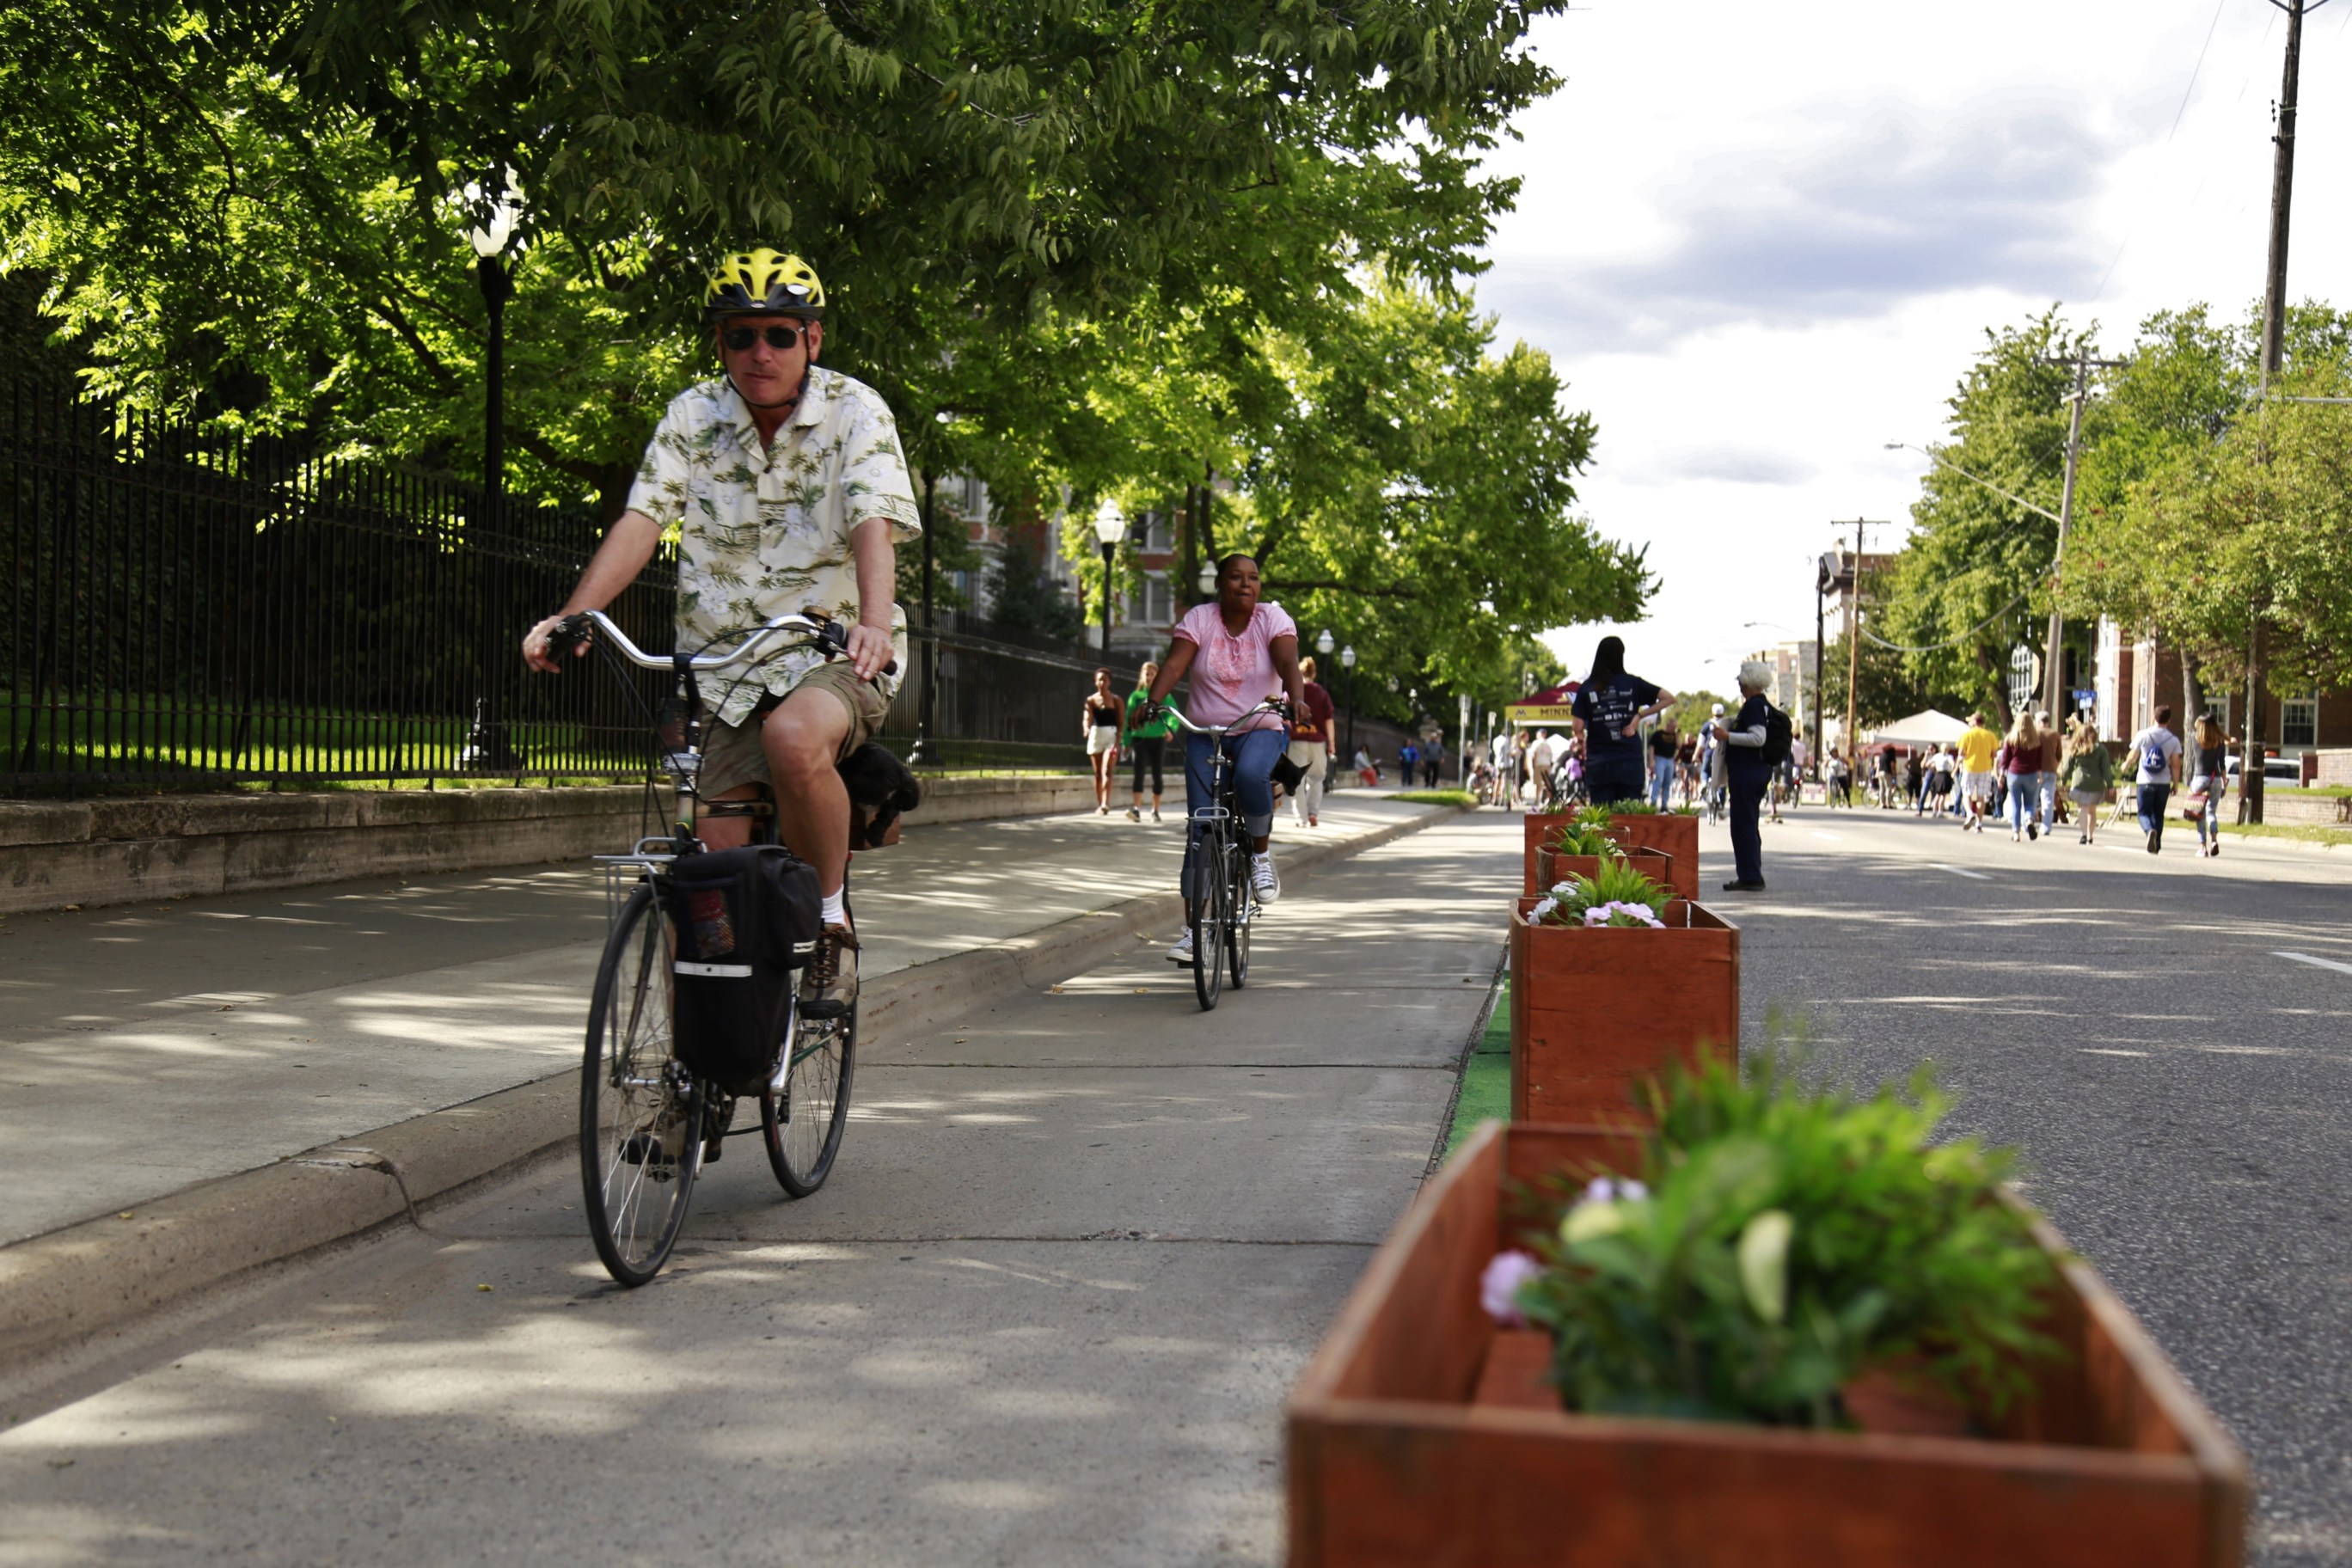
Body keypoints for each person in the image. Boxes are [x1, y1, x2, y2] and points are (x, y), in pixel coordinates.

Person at [523, 248, 911, 1017]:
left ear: (812, 339)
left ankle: (829, 925)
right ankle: (690, 1079)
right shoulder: (693, 417)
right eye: (741, 336)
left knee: (796, 739)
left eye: (778, 334)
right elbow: (643, 519)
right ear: (721, 343)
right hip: (724, 668)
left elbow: (875, 519)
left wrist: (872, 623)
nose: (759, 352)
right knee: (708, 892)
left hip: (829, 650)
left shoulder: (855, 411)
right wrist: (574, 616)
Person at [1144, 554, 1308, 965]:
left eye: (1253, 578)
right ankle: (1193, 934)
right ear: (1219, 583)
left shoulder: (1272, 619)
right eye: (1236, 577)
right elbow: (1176, 664)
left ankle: (1260, 856)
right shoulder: (1200, 619)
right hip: (1206, 734)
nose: (1246, 584)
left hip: (1259, 727)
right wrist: (1153, 700)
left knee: (1253, 775)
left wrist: (1298, 699)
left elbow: (1288, 661)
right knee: (1200, 826)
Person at [1570, 637, 1675, 807]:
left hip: (1599, 762)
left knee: (1601, 819)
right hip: (1630, 759)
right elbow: (1669, 698)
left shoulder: (1587, 687)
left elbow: (1577, 727)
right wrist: (1639, 717)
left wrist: (1582, 735)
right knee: (1629, 817)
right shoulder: (1633, 683)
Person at [1714, 660, 1774, 891]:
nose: (1739, 683)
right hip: (1757, 772)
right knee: (1747, 822)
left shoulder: (1754, 707)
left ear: (1750, 682)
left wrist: (1727, 736)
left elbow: (1758, 737)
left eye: (1742, 679)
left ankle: (1750, 876)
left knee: (1743, 824)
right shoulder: (1763, 706)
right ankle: (1750, 872)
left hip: (1748, 774)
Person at [1285, 655, 1338, 827]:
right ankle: (1313, 812)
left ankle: (1301, 818)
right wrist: (1331, 743)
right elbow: (1329, 719)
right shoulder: (1322, 693)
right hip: (1318, 741)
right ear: (1314, 674)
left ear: (1300, 672)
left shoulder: (1294, 691)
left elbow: (1284, 717)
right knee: (1317, 778)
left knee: (1296, 780)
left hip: (1298, 740)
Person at [1124, 661, 1177, 822]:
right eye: (1146, 674)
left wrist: (1170, 729)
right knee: (1138, 773)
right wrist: (1125, 742)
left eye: (1152, 674)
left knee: (1156, 774)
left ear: (1157, 677)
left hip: (1158, 739)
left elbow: (1173, 714)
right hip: (1139, 738)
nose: (1149, 677)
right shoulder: (1136, 696)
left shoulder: (1164, 695)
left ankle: (1155, 810)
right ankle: (1136, 809)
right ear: (1142, 676)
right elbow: (1128, 719)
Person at [2128, 703, 2184, 854]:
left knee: (2143, 813)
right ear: (2169, 720)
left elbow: (2133, 756)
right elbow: (2176, 765)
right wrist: (2176, 784)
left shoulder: (2143, 735)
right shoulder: (2173, 740)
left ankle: (2149, 831)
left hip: (2145, 780)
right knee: (2159, 814)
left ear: (2154, 717)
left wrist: (2125, 766)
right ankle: (2157, 843)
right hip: (2163, 782)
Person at [2057, 719, 2113, 845]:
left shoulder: (2075, 748)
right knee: (2092, 811)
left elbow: (2067, 766)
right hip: (2096, 783)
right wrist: (2110, 785)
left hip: (2079, 782)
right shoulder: (2101, 749)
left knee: (2083, 809)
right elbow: (2106, 768)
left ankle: (2083, 834)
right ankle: (2090, 835)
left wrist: (2064, 780)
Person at [1997, 711, 2046, 842]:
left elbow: (2005, 759)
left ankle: (2016, 832)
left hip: (2014, 774)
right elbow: (2039, 759)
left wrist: (2001, 775)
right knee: (2030, 803)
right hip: (2031, 773)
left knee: (2016, 804)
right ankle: (2029, 820)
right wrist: (2040, 773)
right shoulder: (2036, 739)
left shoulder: (2011, 738)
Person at [1083, 667, 1124, 815]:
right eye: (1099, 679)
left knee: (1107, 770)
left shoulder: (1116, 700)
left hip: (1111, 737)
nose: (1102, 682)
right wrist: (1086, 728)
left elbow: (1121, 722)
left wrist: (1118, 741)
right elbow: (1087, 716)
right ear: (1095, 682)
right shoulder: (1091, 700)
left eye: (1104, 680)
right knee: (1098, 773)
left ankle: (1106, 802)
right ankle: (1100, 804)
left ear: (1109, 682)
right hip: (1096, 735)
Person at [2188, 714, 2229, 859]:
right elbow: (2222, 764)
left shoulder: (2194, 738)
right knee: (2211, 812)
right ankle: (2215, 841)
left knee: (2199, 815)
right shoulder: (2220, 741)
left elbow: (2193, 760)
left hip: (2200, 779)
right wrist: (2224, 782)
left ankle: (2203, 847)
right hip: (2215, 779)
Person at [1956, 712, 2000, 832]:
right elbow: (1994, 754)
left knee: (1967, 794)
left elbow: (1960, 753)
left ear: (1975, 722)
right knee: (1981, 797)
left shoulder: (1967, 735)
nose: (1969, 723)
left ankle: (1970, 814)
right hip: (1985, 768)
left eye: (1970, 721)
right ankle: (1979, 824)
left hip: (1969, 767)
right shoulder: (1990, 735)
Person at [1648, 720, 1679, 809]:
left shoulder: (1674, 736)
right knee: (1659, 780)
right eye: (1673, 726)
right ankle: (1653, 802)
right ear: (1668, 724)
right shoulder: (1658, 734)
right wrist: (1651, 760)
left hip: (1670, 760)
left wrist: (1677, 737)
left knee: (1668, 782)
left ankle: (1664, 804)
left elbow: (1679, 746)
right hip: (1660, 759)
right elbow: (1651, 747)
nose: (1674, 728)